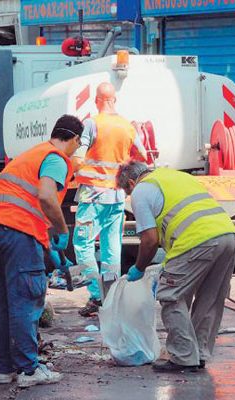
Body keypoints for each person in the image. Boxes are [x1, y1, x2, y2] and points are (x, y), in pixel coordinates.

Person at [0, 115, 83, 387]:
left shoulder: (29, 155)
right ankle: (29, 370)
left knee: (0, 304)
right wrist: (62, 231)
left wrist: (47, 243)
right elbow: (46, 196)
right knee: (25, 300)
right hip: (17, 234)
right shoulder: (56, 158)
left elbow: (24, 204)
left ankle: (4, 370)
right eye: (78, 144)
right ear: (74, 140)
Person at [116, 161, 235, 373]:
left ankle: (183, 356)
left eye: (127, 191)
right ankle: (198, 354)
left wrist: (139, 267)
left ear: (131, 182)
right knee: (210, 299)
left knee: (171, 295)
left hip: (196, 240)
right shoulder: (176, 176)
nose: (130, 197)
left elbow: (149, 239)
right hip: (228, 234)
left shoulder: (141, 191)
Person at [73, 82, 146, 317]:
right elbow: (143, 156)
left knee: (82, 244)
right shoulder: (127, 126)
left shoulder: (92, 124)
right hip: (116, 197)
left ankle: (96, 295)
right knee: (111, 245)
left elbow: (78, 155)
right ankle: (112, 294)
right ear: (114, 100)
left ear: (97, 100)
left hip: (92, 195)